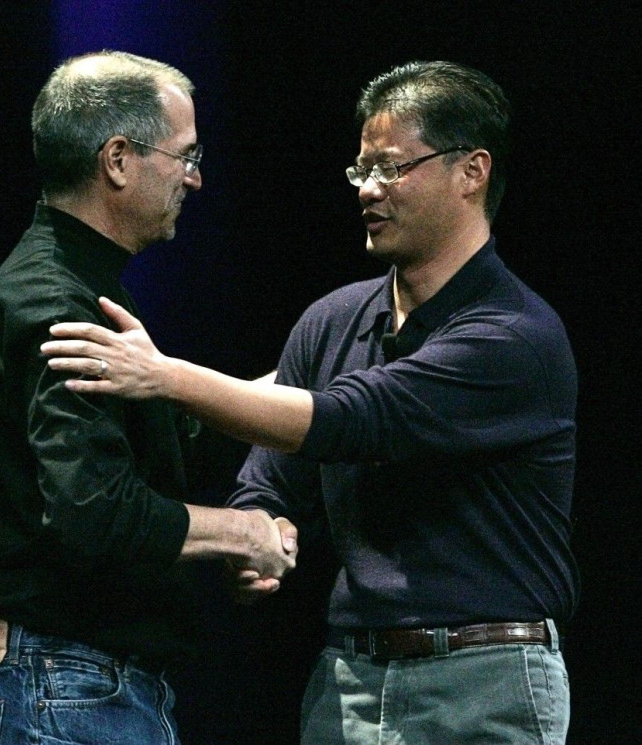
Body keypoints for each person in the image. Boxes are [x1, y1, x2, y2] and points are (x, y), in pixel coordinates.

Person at [41, 60, 580, 744]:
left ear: (472, 171)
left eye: (390, 167)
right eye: (361, 170)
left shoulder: (513, 336)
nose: (368, 190)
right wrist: (261, 534)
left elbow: (355, 419)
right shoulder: (333, 321)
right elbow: (270, 478)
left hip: (483, 682)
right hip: (350, 682)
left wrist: (165, 376)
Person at [0, 50, 297, 745]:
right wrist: (241, 532)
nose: (195, 178)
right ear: (117, 160)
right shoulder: (57, 304)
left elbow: (146, 448)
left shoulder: (71, 286)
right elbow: (94, 513)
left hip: (63, 687)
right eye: (186, 155)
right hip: (61, 688)